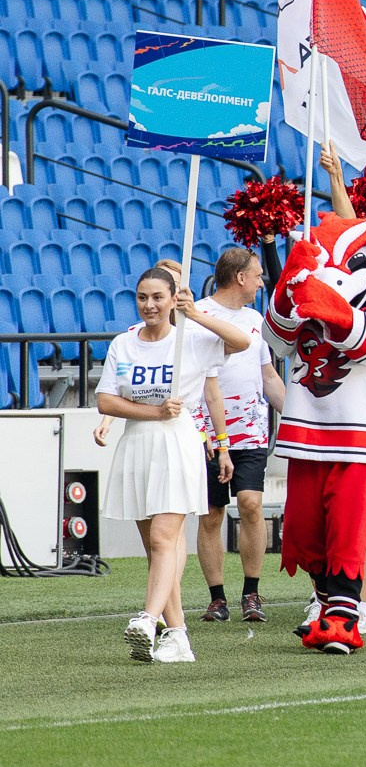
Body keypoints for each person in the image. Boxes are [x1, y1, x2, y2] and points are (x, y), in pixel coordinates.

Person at [100, 264, 253, 663]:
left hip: (178, 443)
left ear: (172, 299)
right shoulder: (124, 343)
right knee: (156, 550)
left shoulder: (191, 337)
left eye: (157, 297)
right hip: (138, 442)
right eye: (142, 297)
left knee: (163, 540)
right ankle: (179, 635)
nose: (149, 305)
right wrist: (152, 412)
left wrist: (197, 314)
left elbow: (242, 342)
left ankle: (149, 620)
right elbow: (106, 400)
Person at [194, 247, 285, 625]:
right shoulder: (198, 315)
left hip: (251, 429)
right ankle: (217, 597)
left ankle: (251, 591)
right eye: (258, 275)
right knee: (212, 513)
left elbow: (268, 377)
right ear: (241, 278)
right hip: (208, 432)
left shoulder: (255, 320)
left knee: (250, 503)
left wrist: (295, 415)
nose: (262, 281)